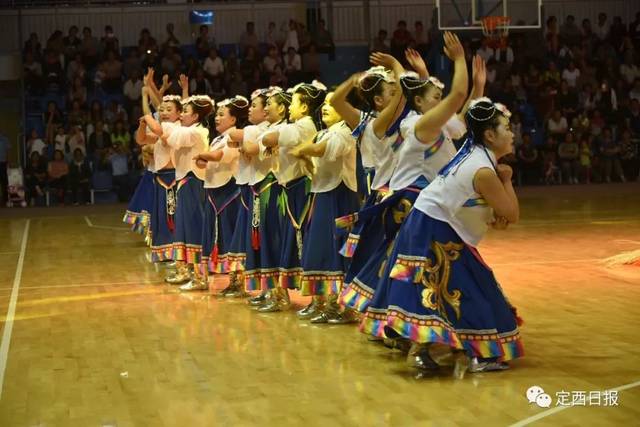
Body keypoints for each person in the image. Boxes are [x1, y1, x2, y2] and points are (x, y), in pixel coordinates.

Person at [366, 98, 524, 375]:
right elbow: (511, 213)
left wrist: (490, 212)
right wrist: (507, 180)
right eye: (507, 127)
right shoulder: (485, 170)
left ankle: (433, 346)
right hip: (435, 227)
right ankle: (464, 352)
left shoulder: (472, 151)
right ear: (489, 134)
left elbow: (474, 203)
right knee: (460, 289)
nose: (512, 133)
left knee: (451, 288)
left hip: (432, 222)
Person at [289, 92, 361, 323]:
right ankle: (319, 301)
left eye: (333, 104)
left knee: (335, 251)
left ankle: (341, 306)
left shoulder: (345, 131)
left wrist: (303, 151)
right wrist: (305, 153)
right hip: (322, 194)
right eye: (325, 104)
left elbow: (320, 150)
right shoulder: (324, 133)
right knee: (318, 248)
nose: (326, 108)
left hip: (339, 197)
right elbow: (313, 149)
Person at [258, 82, 326, 311]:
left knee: (307, 243)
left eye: (294, 103)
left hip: (302, 189)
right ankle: (284, 294)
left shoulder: (303, 126)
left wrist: (271, 141)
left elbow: (267, 140)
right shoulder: (297, 126)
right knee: (291, 242)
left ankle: (320, 300)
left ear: (305, 107)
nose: (289, 108)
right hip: (292, 190)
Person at [190, 96, 248, 292]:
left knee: (232, 235)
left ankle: (237, 281)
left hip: (229, 192)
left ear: (233, 120)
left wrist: (202, 156)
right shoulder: (217, 139)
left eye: (222, 114)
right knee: (216, 235)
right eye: (217, 114)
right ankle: (221, 278)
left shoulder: (234, 137)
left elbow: (219, 157)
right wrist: (202, 159)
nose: (217, 118)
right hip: (214, 192)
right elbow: (208, 160)